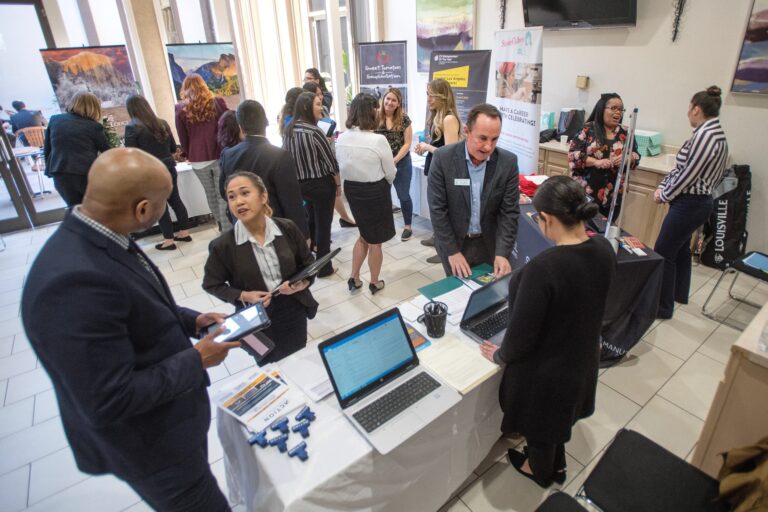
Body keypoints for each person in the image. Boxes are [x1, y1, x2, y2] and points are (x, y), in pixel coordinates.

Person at [21, 148, 240, 511]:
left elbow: (133, 306)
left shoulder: (101, 235)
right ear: (142, 210)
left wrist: (189, 320)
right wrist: (197, 359)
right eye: (164, 202)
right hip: (153, 447)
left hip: (174, 424)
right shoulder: (72, 282)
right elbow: (108, 399)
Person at [479, 175, 616, 489]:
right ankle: (553, 461)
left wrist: (500, 354)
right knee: (558, 420)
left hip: (547, 373)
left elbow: (521, 337)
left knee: (541, 428)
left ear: (549, 220)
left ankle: (541, 472)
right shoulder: (603, 247)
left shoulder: (546, 269)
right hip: (582, 359)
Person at [203, 172, 318, 364]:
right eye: (232, 197)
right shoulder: (223, 246)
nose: (238, 202)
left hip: (293, 310)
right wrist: (243, 296)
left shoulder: (287, 228)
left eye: (245, 193)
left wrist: (302, 283)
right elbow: (212, 284)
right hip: (255, 321)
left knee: (299, 360)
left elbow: (308, 265)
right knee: (270, 364)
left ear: (263, 196)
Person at [653, 86, 729, 319]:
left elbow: (688, 173)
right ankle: (678, 294)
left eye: (689, 107)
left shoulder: (705, 137)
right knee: (681, 250)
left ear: (697, 109)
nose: (687, 112)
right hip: (698, 201)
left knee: (663, 252)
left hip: (691, 202)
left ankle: (662, 307)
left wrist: (663, 194)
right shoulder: (716, 133)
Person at [427, 103, 519, 278]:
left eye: (494, 139)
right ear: (467, 131)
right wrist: (452, 251)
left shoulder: (507, 163)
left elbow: (509, 212)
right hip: (454, 244)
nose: (488, 147)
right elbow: (438, 210)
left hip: (490, 245)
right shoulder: (443, 159)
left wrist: (502, 252)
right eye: (482, 138)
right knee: (458, 295)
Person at [219, 100, 309, 238]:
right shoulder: (280, 156)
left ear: (240, 128)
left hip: (244, 228)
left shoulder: (228, 155)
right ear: (266, 123)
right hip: (275, 228)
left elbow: (223, 192)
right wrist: (303, 235)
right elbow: (292, 201)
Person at [336, 93, 397, 294]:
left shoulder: (341, 138)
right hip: (375, 192)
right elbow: (390, 172)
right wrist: (383, 184)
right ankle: (374, 281)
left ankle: (353, 277)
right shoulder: (377, 140)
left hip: (352, 191)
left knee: (364, 235)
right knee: (375, 241)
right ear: (372, 112)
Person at [283, 92, 340, 277]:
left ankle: (310, 258)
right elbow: (331, 162)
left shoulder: (289, 129)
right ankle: (324, 267)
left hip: (299, 185)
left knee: (311, 222)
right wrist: (338, 185)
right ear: (307, 107)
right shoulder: (315, 131)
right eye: (317, 104)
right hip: (321, 185)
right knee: (324, 226)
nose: (321, 109)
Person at [125, 94, 192, 250]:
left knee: (159, 205)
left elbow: (131, 154)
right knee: (176, 200)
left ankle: (168, 241)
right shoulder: (162, 123)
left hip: (149, 172)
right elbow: (172, 148)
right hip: (168, 167)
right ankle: (184, 232)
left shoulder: (132, 127)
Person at [568, 93, 641, 217]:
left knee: (605, 229)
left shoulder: (626, 132)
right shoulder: (587, 129)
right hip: (586, 189)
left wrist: (628, 158)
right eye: (613, 108)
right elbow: (573, 155)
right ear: (602, 109)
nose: (618, 112)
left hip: (614, 193)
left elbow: (636, 156)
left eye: (620, 109)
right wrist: (596, 162)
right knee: (583, 224)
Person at [414, 78, 462, 260]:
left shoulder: (449, 119)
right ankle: (438, 240)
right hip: (436, 169)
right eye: (427, 94)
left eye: (431, 95)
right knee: (437, 209)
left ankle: (445, 251)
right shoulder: (438, 117)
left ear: (442, 96)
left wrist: (427, 147)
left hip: (445, 173)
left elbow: (450, 151)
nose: (428, 99)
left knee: (443, 212)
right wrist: (426, 148)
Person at [175, 73, 229, 230]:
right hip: (218, 153)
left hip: (197, 159)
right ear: (204, 85)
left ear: (184, 89)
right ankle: (226, 230)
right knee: (222, 194)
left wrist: (187, 153)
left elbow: (182, 137)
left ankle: (220, 225)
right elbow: (227, 124)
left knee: (210, 194)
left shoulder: (180, 109)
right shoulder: (217, 102)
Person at [44, 92, 111, 207]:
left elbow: (48, 148)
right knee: (95, 209)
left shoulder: (55, 120)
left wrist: (50, 169)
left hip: (59, 172)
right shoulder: (93, 126)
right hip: (85, 173)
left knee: (74, 209)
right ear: (94, 107)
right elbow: (107, 151)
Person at [376, 88, 414, 241]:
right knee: (382, 196)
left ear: (398, 104)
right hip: (380, 164)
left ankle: (408, 226)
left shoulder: (404, 119)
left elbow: (408, 143)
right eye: (388, 98)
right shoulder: (375, 117)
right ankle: (384, 226)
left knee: (403, 195)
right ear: (383, 99)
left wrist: (395, 160)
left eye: (394, 100)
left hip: (402, 162)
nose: (389, 102)